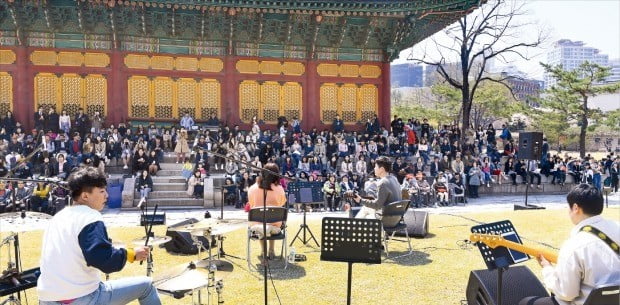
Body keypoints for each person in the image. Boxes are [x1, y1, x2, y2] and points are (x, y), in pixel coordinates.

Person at [37, 167, 160, 304]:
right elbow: (102, 259)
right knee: (146, 286)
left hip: (46, 299)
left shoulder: (58, 218)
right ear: (85, 196)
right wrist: (131, 254)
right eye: (101, 191)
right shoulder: (90, 217)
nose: (106, 195)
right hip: (81, 298)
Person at [518, 184, 620, 305]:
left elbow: (566, 293)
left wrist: (547, 269)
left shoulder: (574, 245)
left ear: (576, 208)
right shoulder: (617, 227)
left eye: (569, 207)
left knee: (526, 302)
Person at [248, 162, 287, 261]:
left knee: (262, 223)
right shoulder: (279, 189)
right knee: (272, 221)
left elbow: (252, 205)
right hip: (275, 226)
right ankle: (271, 250)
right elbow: (281, 204)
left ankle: (263, 251)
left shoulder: (252, 188)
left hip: (257, 225)